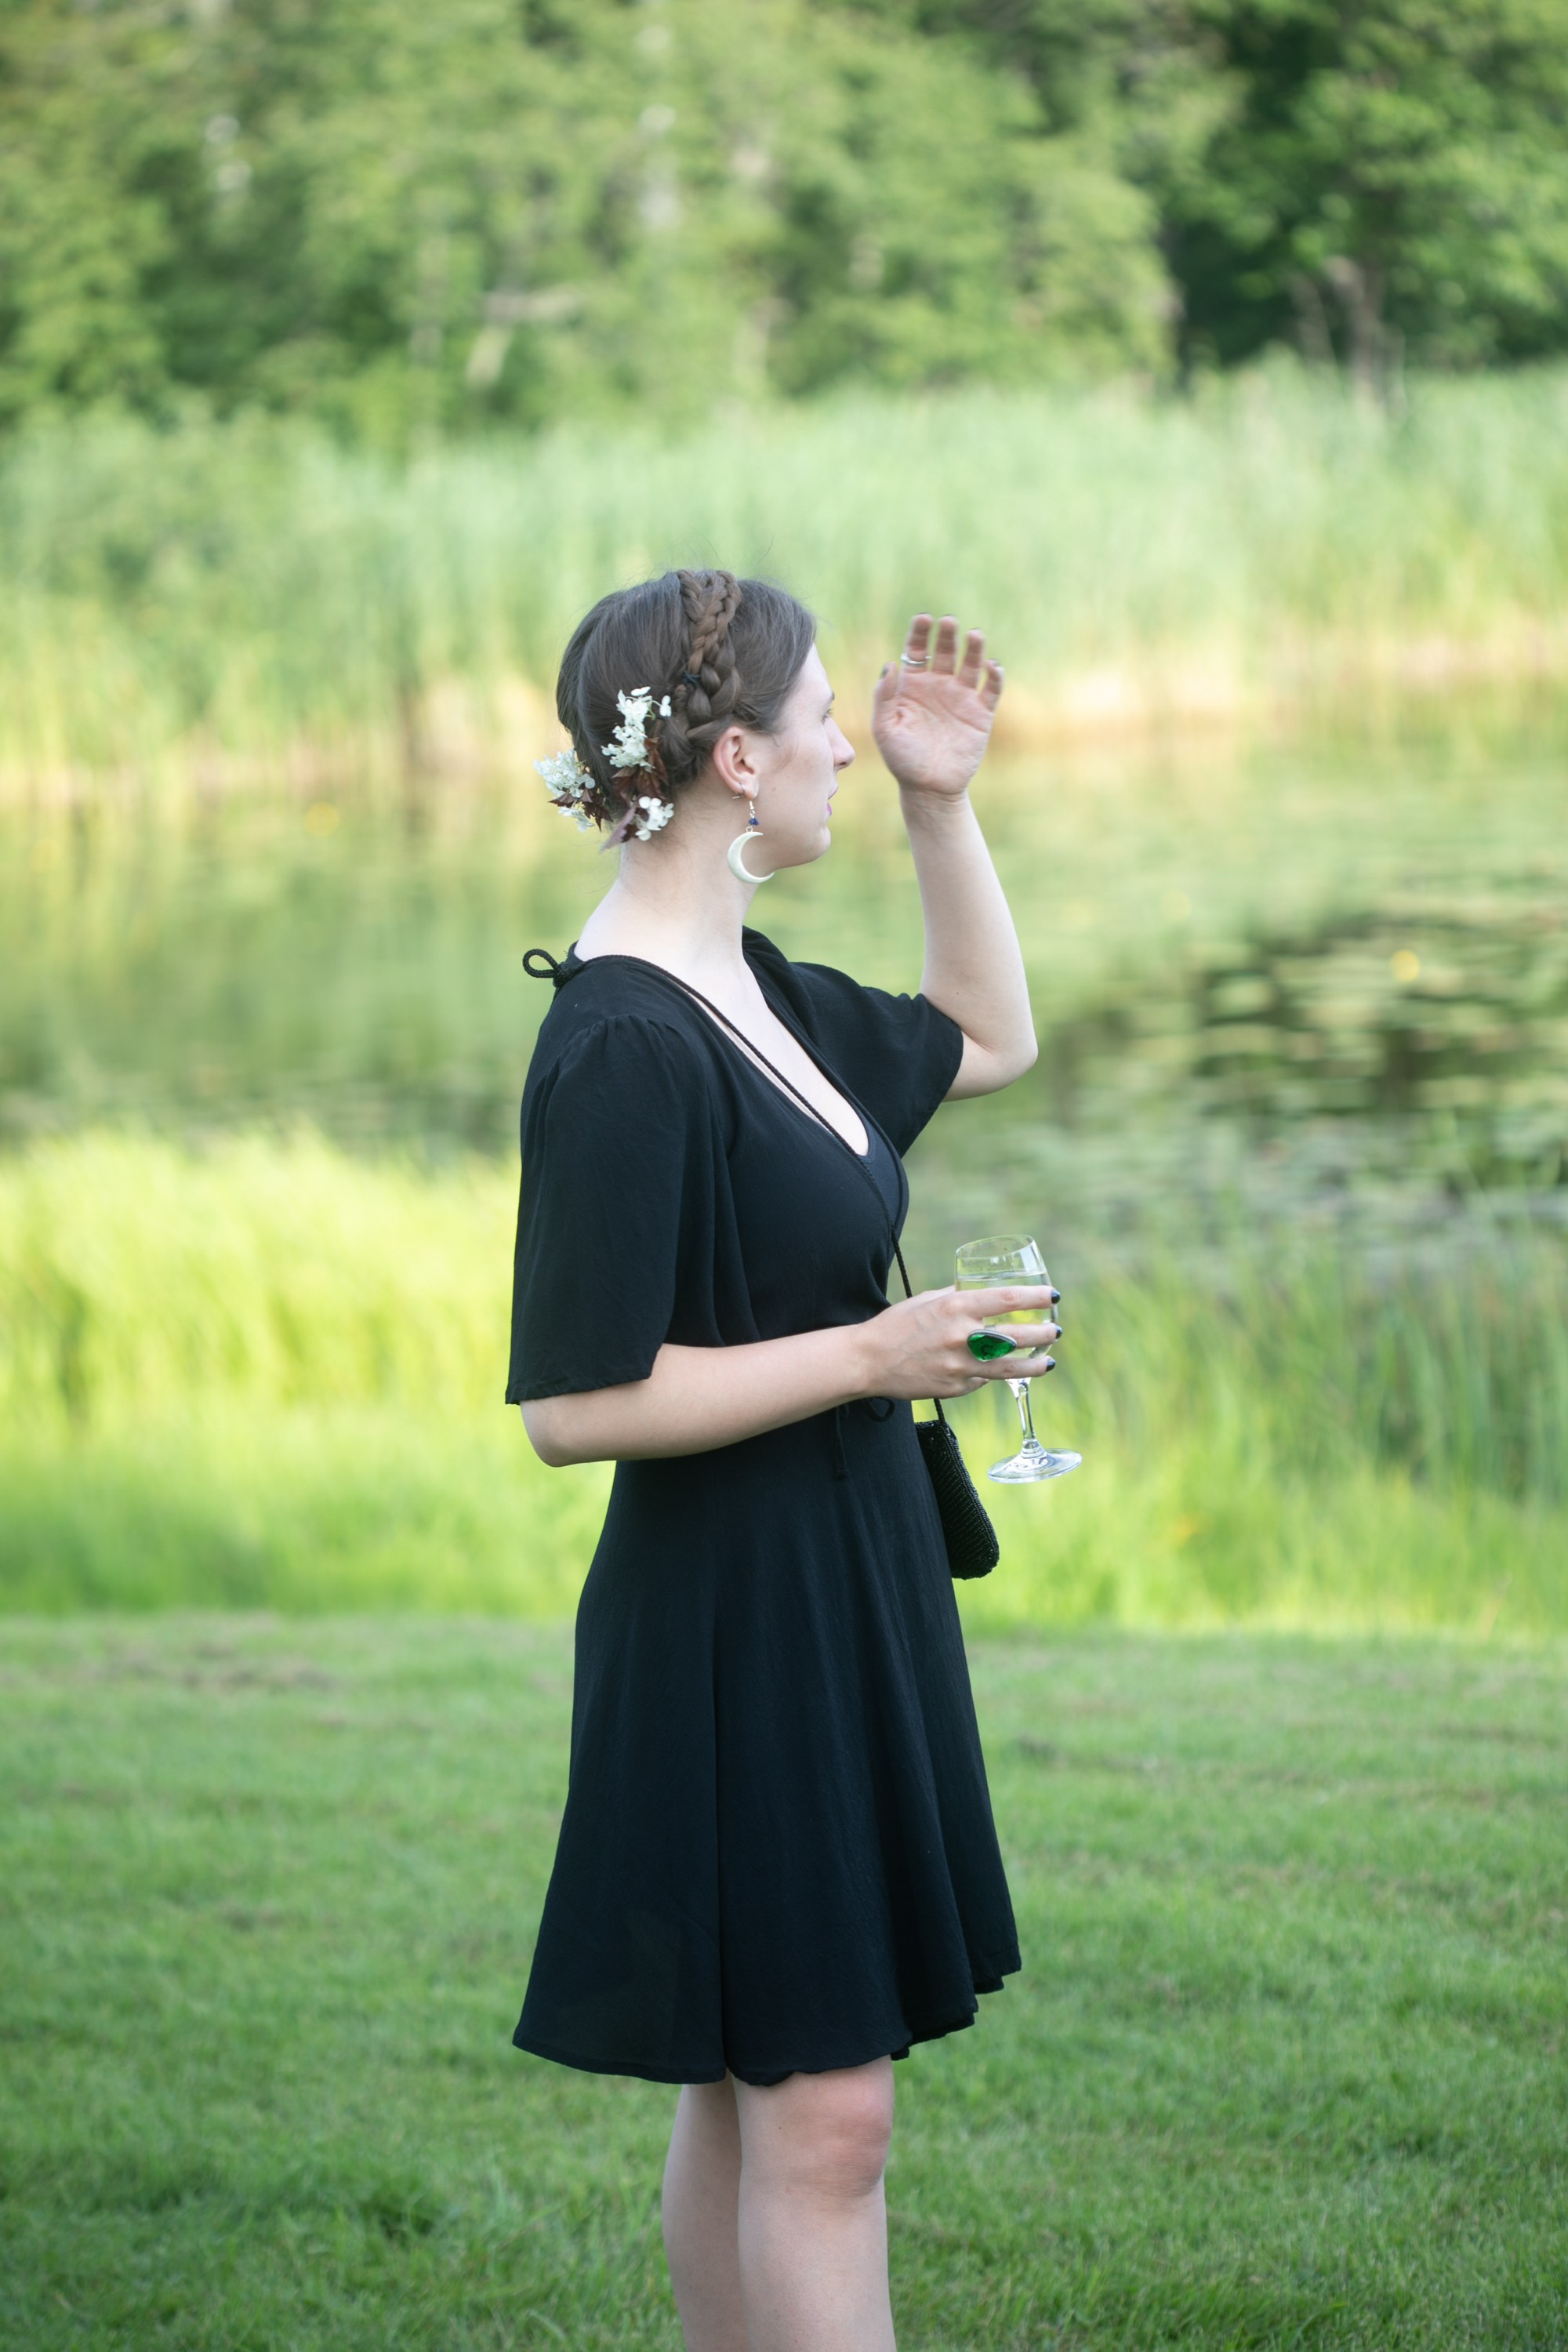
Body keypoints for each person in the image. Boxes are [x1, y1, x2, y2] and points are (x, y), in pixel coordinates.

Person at [506, 568, 1058, 2352]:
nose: (841, 739)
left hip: (842, 1584)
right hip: (728, 1617)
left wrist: (936, 803)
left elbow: (989, 1037)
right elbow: (572, 1406)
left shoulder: (751, 987)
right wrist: (873, 1357)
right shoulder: (619, 1037)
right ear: (738, 759)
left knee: (758, 2087)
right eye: (825, 721)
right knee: (824, 2112)